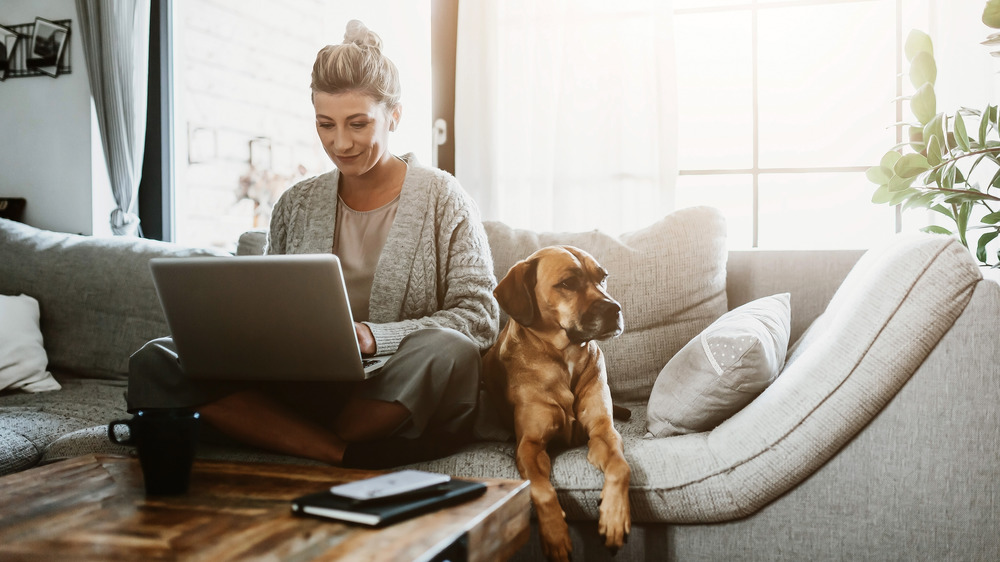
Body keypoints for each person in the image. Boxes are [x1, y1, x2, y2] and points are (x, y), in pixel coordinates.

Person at [126, 20, 499, 468]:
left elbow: (478, 318)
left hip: (392, 387)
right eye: (326, 124)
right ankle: (342, 452)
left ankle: (279, 431)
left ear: (394, 116)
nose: (340, 143)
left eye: (358, 124)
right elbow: (267, 305)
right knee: (155, 359)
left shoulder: (443, 197)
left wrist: (372, 338)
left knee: (449, 350)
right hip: (302, 385)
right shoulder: (296, 203)